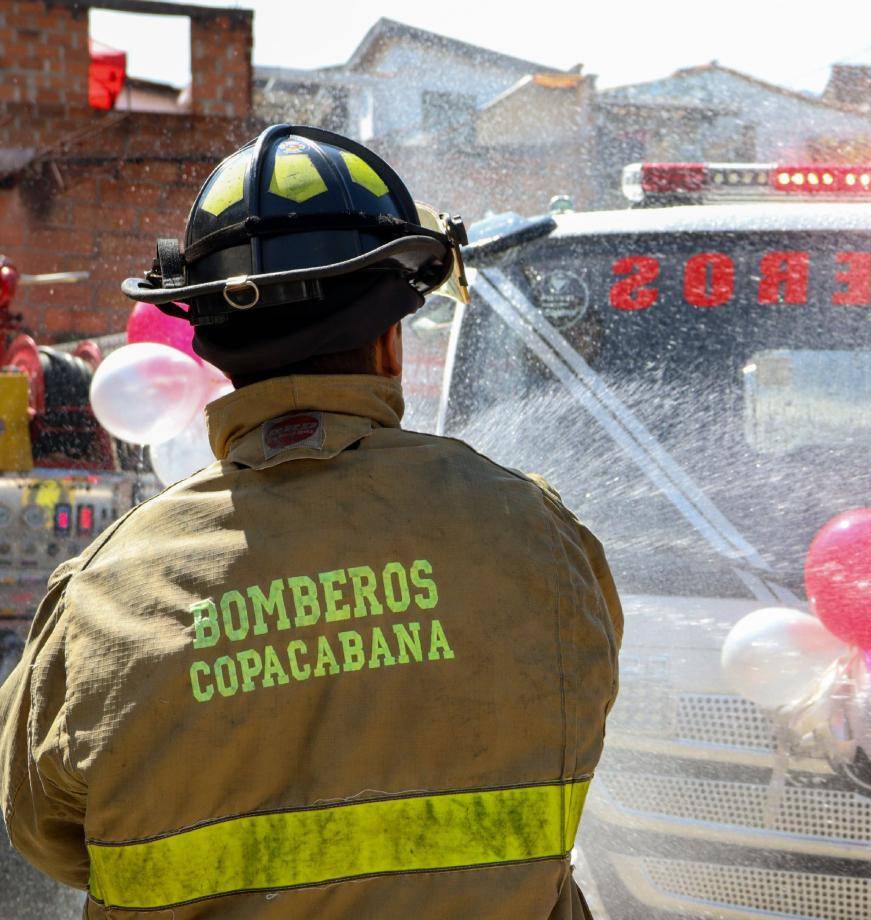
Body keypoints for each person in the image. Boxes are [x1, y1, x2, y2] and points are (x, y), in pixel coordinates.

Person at [0, 124, 621, 918]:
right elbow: (580, 729)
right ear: (391, 342)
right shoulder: (537, 535)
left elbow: (43, 831)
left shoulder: (103, 595)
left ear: (211, 346)